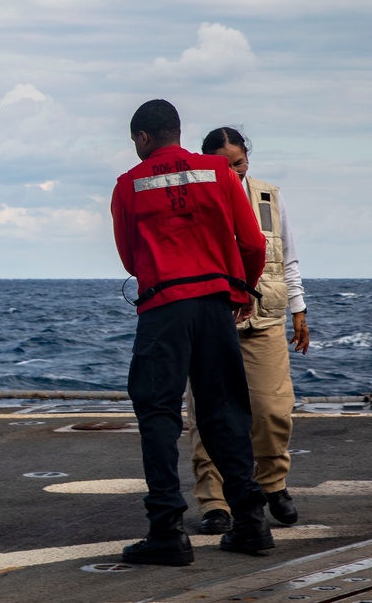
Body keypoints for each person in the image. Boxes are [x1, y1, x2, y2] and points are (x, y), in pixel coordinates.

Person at [111, 99, 273, 566]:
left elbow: (129, 258)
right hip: (217, 307)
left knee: (158, 412)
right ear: (177, 132)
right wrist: (239, 291)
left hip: (164, 309)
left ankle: (167, 529)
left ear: (143, 138)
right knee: (224, 410)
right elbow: (253, 243)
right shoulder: (220, 174)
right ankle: (251, 523)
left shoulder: (129, 185)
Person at [188, 126, 310, 535]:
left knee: (274, 410)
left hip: (265, 317)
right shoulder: (195, 196)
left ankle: (272, 483)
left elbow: (287, 256)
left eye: (238, 163)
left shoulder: (268, 196)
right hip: (213, 318)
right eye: (224, 165)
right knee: (210, 415)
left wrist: (298, 310)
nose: (233, 171)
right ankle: (214, 501)